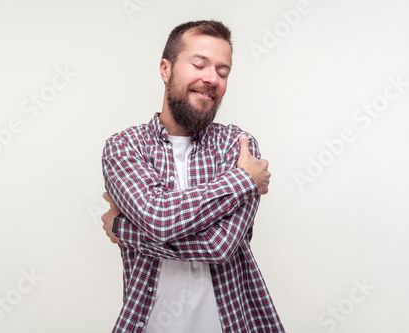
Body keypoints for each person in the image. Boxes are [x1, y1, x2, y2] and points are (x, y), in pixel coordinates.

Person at [101, 20, 285, 333]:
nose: (212, 78)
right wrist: (243, 180)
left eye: (223, 72)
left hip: (233, 324)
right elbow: (159, 218)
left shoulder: (238, 146)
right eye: (199, 64)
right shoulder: (124, 146)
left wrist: (124, 228)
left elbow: (219, 247)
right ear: (165, 69)